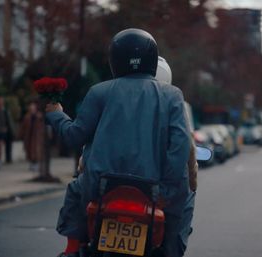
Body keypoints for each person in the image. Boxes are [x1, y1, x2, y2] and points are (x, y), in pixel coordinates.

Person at [46, 28, 191, 257]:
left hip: (100, 189)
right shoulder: (172, 95)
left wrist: (56, 113)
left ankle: (72, 249)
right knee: (184, 202)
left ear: (115, 60)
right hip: (154, 192)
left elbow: (75, 136)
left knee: (75, 188)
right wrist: (167, 191)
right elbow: (180, 148)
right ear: (152, 60)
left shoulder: (99, 92)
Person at [155, 56, 198, 256]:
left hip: (112, 185)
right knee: (186, 197)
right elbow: (186, 147)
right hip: (159, 192)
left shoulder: (117, 99)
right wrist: (193, 182)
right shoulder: (173, 102)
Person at [19, 101, 44, 171]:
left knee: (36, 151)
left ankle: (35, 164)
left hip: (37, 137)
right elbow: (23, 127)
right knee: (29, 151)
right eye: (30, 109)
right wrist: (21, 134)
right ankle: (32, 164)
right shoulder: (27, 117)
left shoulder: (39, 116)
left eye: (33, 109)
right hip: (29, 137)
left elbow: (42, 127)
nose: (32, 110)